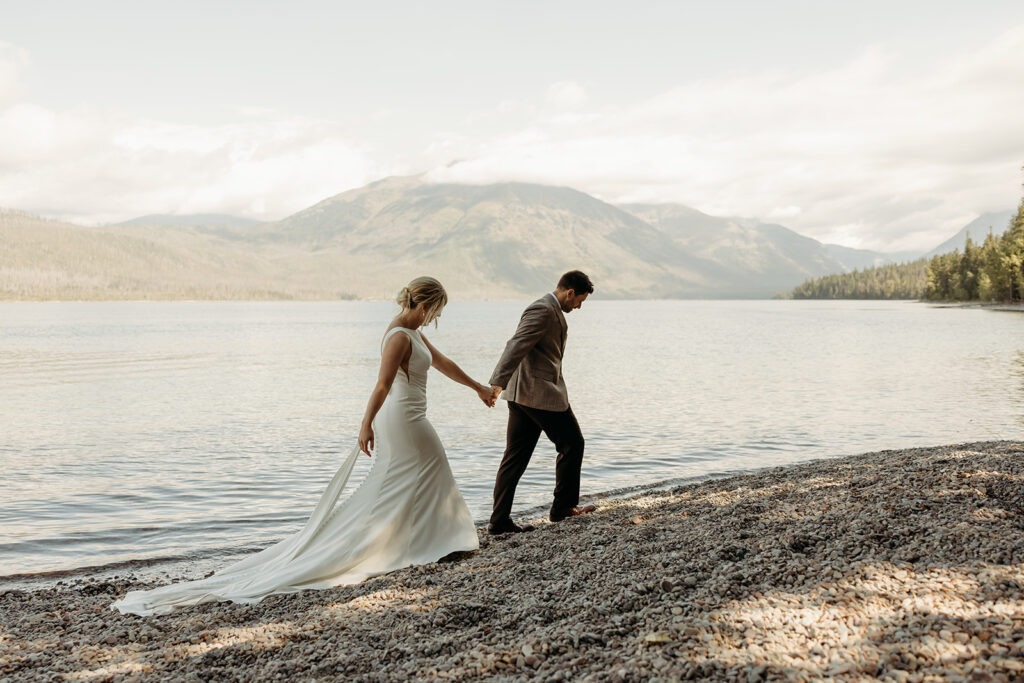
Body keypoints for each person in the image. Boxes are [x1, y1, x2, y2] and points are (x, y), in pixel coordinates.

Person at [113, 277, 491, 616]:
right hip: (405, 420)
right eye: (435, 312)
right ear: (424, 305)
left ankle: (431, 540)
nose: (433, 319)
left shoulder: (413, 333)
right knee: (424, 472)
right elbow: (381, 386)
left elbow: (443, 362)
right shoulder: (398, 336)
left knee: (412, 483)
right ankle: (427, 541)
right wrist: (364, 424)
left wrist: (478, 388)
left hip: (410, 418)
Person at [487, 270, 596, 535]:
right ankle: (562, 509)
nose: (579, 306)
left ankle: (499, 522)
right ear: (570, 293)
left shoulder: (549, 309)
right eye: (579, 300)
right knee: (572, 443)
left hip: (523, 394)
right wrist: (496, 383)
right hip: (538, 394)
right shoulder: (543, 309)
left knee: (515, 457)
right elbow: (516, 345)